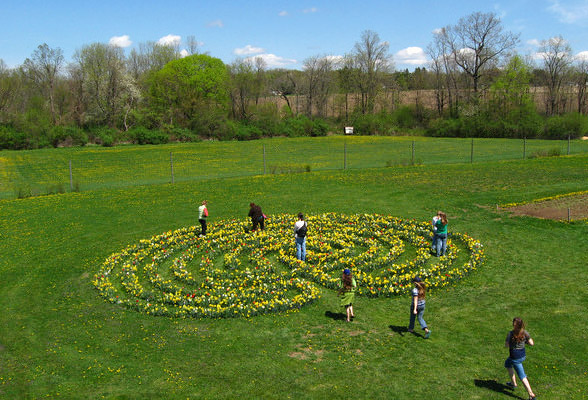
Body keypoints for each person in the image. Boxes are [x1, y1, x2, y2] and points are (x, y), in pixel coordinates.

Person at [504, 317, 537, 400]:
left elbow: (506, 345)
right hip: (522, 355)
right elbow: (531, 343)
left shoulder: (510, 334)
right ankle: (513, 383)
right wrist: (524, 341)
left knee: (522, 376)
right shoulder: (525, 333)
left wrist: (510, 343)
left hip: (515, 358)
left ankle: (531, 394)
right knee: (507, 364)